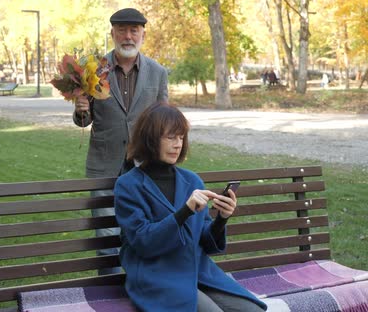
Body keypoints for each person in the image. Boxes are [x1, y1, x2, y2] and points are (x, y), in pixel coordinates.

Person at [114, 104, 267, 312]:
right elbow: (143, 242)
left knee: (254, 311)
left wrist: (221, 218)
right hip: (158, 277)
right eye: (170, 137)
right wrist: (184, 211)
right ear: (150, 138)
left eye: (181, 137)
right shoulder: (128, 185)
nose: (178, 144)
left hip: (198, 273)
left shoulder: (192, 180)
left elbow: (206, 242)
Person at [73, 8, 169, 275]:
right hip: (104, 166)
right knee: (106, 238)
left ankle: (140, 288)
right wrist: (81, 109)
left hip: (145, 166)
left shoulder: (158, 72)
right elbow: (83, 120)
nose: (128, 36)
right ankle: (110, 295)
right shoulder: (92, 70)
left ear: (143, 34)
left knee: (143, 233)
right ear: (112, 33)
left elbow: (165, 120)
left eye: (134, 31)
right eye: (122, 30)